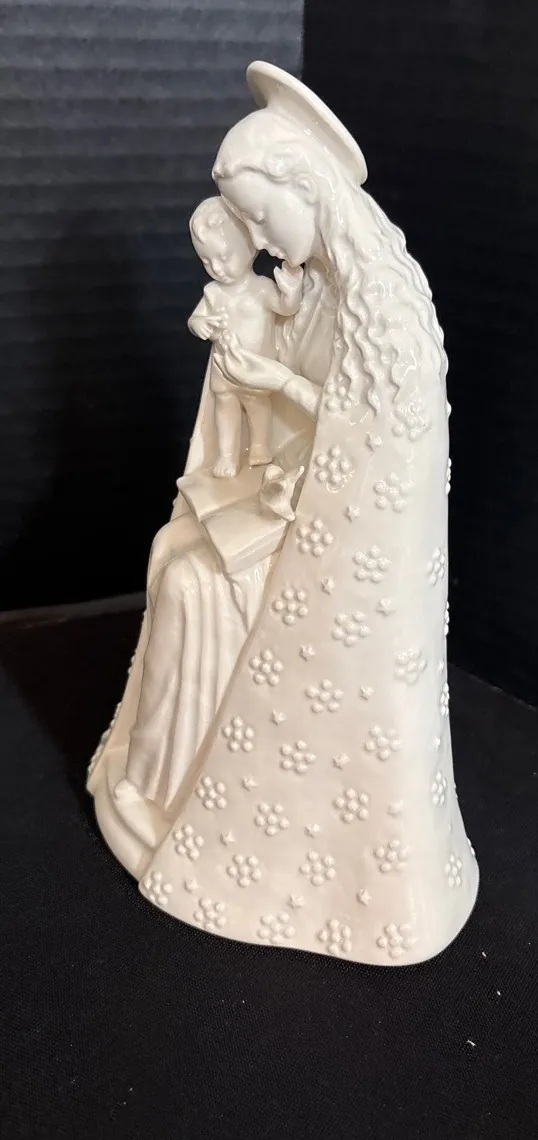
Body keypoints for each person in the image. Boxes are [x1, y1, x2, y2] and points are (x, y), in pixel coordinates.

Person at [90, 64, 477, 964]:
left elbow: (376, 446)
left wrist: (271, 386)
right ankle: (155, 775)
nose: (256, 240)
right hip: (292, 493)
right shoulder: (317, 287)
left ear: (309, 192)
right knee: (172, 546)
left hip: (335, 545)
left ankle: (177, 787)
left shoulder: (384, 307)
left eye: (263, 218)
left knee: (192, 585)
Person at [188, 197, 303, 477]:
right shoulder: (213, 293)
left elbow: (286, 309)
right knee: (224, 405)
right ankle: (227, 455)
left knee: (257, 404)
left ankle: (260, 446)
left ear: (250, 248)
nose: (216, 268)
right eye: (207, 261)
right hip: (224, 367)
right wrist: (200, 325)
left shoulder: (262, 288)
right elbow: (195, 319)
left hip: (256, 367)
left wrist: (292, 293)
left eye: (224, 257)